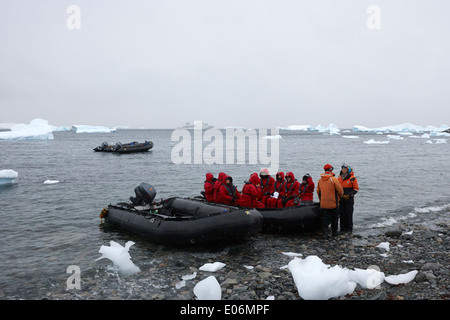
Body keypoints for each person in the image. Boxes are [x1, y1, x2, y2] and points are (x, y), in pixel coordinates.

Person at [316, 164, 344, 238]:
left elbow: (318, 192)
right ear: (331, 170)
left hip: (324, 204)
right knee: (334, 219)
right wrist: (339, 198)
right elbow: (340, 191)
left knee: (325, 220)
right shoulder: (333, 179)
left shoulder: (320, 180)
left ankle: (325, 233)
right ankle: (334, 233)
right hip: (333, 203)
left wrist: (321, 200)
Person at [338, 163, 359, 233]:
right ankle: (342, 229)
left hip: (349, 199)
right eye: (342, 169)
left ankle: (349, 229)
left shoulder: (352, 178)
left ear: (347, 170)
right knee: (341, 214)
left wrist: (349, 195)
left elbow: (356, 189)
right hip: (341, 199)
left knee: (349, 214)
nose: (343, 170)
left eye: (345, 169)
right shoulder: (339, 177)